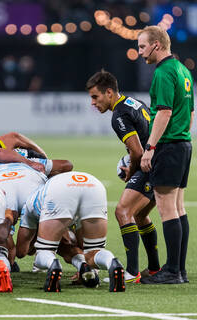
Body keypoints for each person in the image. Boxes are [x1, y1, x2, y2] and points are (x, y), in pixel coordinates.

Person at [85, 70, 160, 283]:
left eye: (95, 97)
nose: (92, 102)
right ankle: (154, 268)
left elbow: (136, 152)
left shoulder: (119, 114)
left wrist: (131, 172)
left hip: (149, 165)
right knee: (140, 215)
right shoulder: (133, 102)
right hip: (160, 162)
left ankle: (132, 272)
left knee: (122, 211)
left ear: (109, 92)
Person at [137, 25, 194, 284]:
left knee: (166, 207)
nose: (140, 52)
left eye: (142, 46)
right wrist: (182, 134)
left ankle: (171, 271)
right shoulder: (184, 70)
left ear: (156, 45)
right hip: (184, 143)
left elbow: (163, 112)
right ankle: (179, 271)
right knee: (179, 207)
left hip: (169, 146)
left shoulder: (163, 72)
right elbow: (190, 112)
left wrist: (150, 148)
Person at [17, 171, 125, 292]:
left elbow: (21, 251)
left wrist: (38, 243)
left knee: (45, 251)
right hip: (93, 184)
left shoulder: (29, 205)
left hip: (59, 191)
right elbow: (82, 245)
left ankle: (53, 265)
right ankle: (112, 263)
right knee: (94, 251)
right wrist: (89, 268)